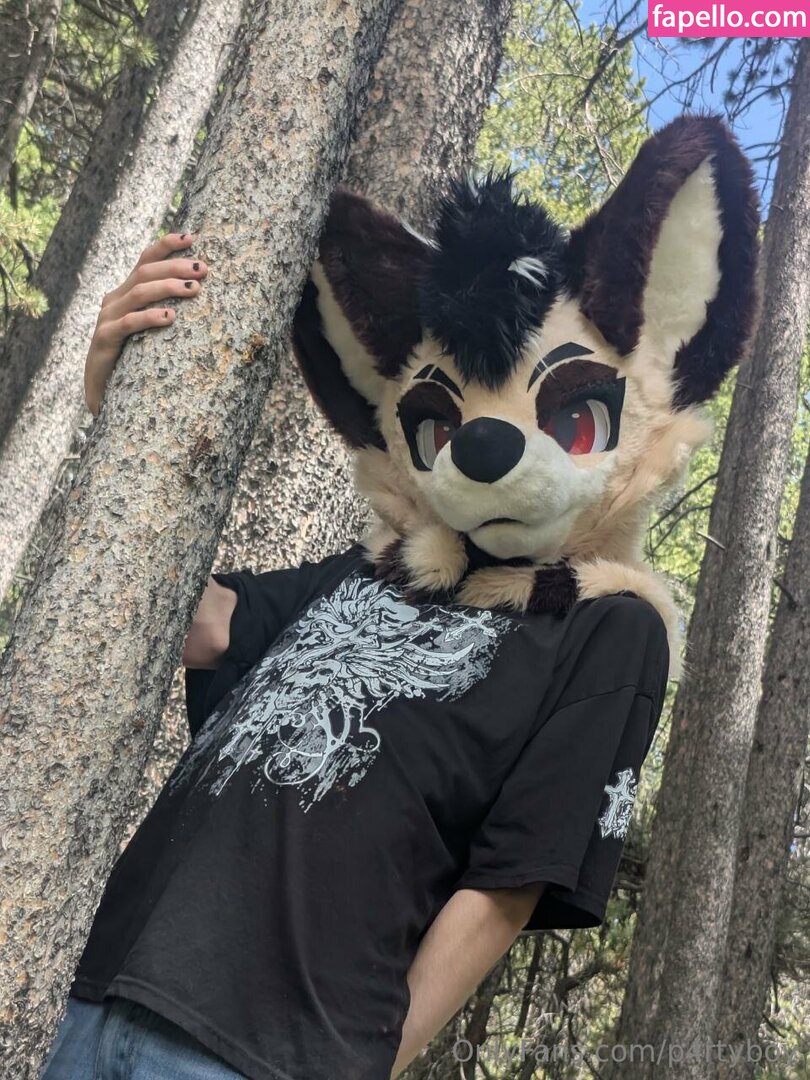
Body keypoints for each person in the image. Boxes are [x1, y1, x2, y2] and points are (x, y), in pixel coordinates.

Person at [42, 114, 758, 1080]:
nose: (483, 448)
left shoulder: (606, 628)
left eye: (571, 414)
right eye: (440, 423)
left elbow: (505, 891)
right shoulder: (361, 575)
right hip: (93, 998)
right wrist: (113, 403)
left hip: (273, 1057)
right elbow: (192, 620)